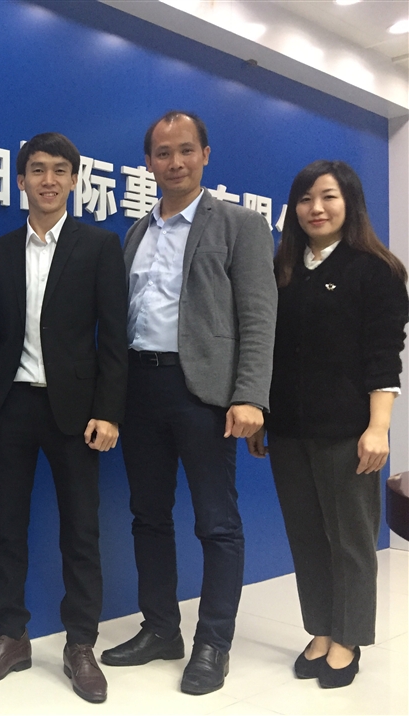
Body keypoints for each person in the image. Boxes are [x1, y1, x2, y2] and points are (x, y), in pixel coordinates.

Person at [100, 111, 277, 695]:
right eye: (162, 153)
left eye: (185, 150)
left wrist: (250, 395)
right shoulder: (136, 231)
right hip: (140, 389)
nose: (174, 162)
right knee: (148, 517)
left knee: (216, 523)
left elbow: (258, 316)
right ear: (148, 163)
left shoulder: (239, 224)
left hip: (203, 393)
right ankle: (160, 629)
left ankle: (213, 643)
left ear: (205, 155)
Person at [0, 132, 128, 703]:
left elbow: (115, 338)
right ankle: (11, 635)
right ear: (21, 180)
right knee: (7, 527)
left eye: (59, 169)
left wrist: (109, 412)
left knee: (80, 531)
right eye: (37, 169)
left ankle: (80, 644)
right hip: (9, 407)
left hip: (76, 413)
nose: (48, 179)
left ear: (74, 180)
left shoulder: (99, 246)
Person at [247, 160, 408, 689]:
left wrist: (379, 428)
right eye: (305, 199)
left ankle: (349, 638)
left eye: (328, 197)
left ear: (350, 203)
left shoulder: (377, 270)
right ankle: (319, 629)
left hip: (348, 431)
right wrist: (260, 414)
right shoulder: (283, 270)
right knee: (307, 537)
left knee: (351, 541)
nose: (315, 208)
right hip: (289, 429)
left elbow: (384, 357)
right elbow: (266, 350)